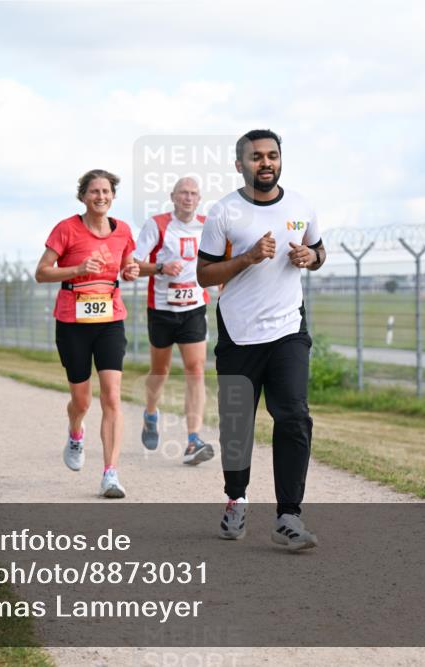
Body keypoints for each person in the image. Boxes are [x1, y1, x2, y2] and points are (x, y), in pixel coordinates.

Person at [197, 129, 325, 550]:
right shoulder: (224, 213)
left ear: (281, 160)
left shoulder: (302, 205)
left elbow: (319, 251)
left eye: (272, 155)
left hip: (288, 330)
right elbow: (204, 274)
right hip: (238, 334)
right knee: (237, 428)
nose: (265, 162)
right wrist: (248, 258)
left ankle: (289, 516)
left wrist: (311, 257)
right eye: (256, 157)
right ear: (240, 165)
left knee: (292, 416)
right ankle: (236, 499)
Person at [35, 169, 139, 499]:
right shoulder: (66, 229)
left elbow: (128, 264)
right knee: (82, 400)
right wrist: (77, 269)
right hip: (72, 323)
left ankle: (110, 473)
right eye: (93, 191)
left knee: (111, 395)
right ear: (83, 196)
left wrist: (131, 270)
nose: (100, 196)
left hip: (110, 319)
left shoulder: (122, 230)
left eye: (106, 191)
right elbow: (41, 273)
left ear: (113, 195)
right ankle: (76, 433)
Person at [133, 176, 215, 465]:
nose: (188, 198)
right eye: (183, 193)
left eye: (194, 193)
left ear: (199, 198)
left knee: (196, 370)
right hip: (162, 309)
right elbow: (132, 265)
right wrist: (160, 267)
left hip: (194, 307)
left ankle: (193, 440)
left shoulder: (208, 224)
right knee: (161, 370)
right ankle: (151, 413)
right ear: (173, 196)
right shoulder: (156, 225)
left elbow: (221, 260)